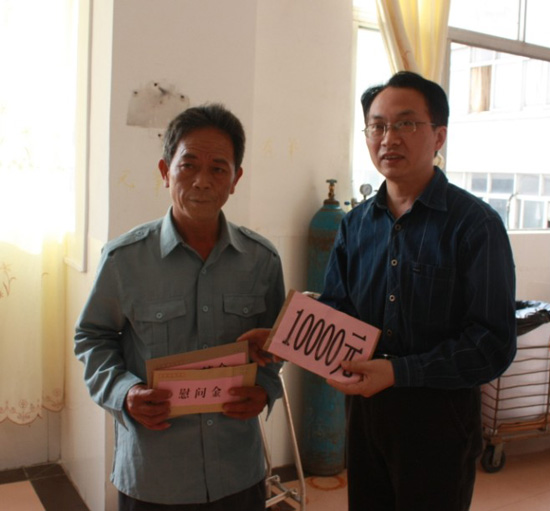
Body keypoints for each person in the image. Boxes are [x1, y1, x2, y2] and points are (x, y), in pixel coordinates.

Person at [242, 71, 517, 511]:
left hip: (440, 423)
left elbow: (492, 344)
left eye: (406, 123)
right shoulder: (355, 225)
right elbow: (338, 314)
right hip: (365, 418)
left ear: (439, 135)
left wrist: (398, 372)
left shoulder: (474, 225)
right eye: (377, 126)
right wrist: (283, 340)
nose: (389, 138)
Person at [74, 103, 285, 510]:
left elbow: (277, 346)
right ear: (165, 171)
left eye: (218, 169)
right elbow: (92, 337)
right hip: (155, 475)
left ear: (236, 179)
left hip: (237, 471)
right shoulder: (124, 259)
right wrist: (125, 392)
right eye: (188, 166)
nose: (202, 182)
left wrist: (265, 388)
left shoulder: (262, 260)